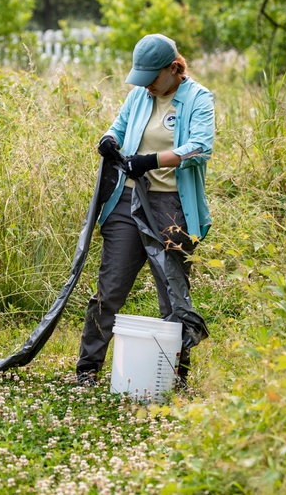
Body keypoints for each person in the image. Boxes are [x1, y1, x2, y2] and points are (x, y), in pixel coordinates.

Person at [76, 33, 215, 388]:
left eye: (153, 78)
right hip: (127, 201)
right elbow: (119, 128)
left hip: (171, 207)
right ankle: (87, 369)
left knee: (172, 293)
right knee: (110, 288)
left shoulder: (198, 98)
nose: (147, 86)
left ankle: (174, 375)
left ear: (173, 68)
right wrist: (110, 139)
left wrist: (151, 160)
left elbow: (199, 147)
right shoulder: (139, 95)